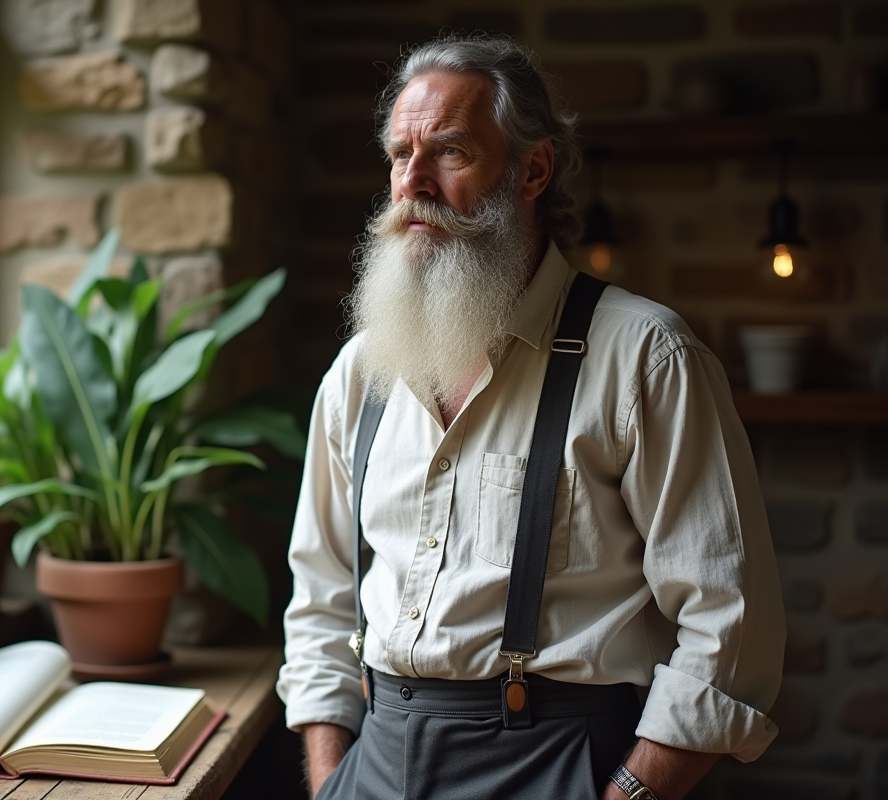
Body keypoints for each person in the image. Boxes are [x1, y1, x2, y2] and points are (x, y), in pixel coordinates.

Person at [277, 35, 785, 800]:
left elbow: (732, 630)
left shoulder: (645, 357)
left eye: (448, 152)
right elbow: (320, 602)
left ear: (533, 170)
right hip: (372, 763)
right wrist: (328, 782)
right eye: (398, 154)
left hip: (550, 763)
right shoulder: (360, 374)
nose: (412, 183)